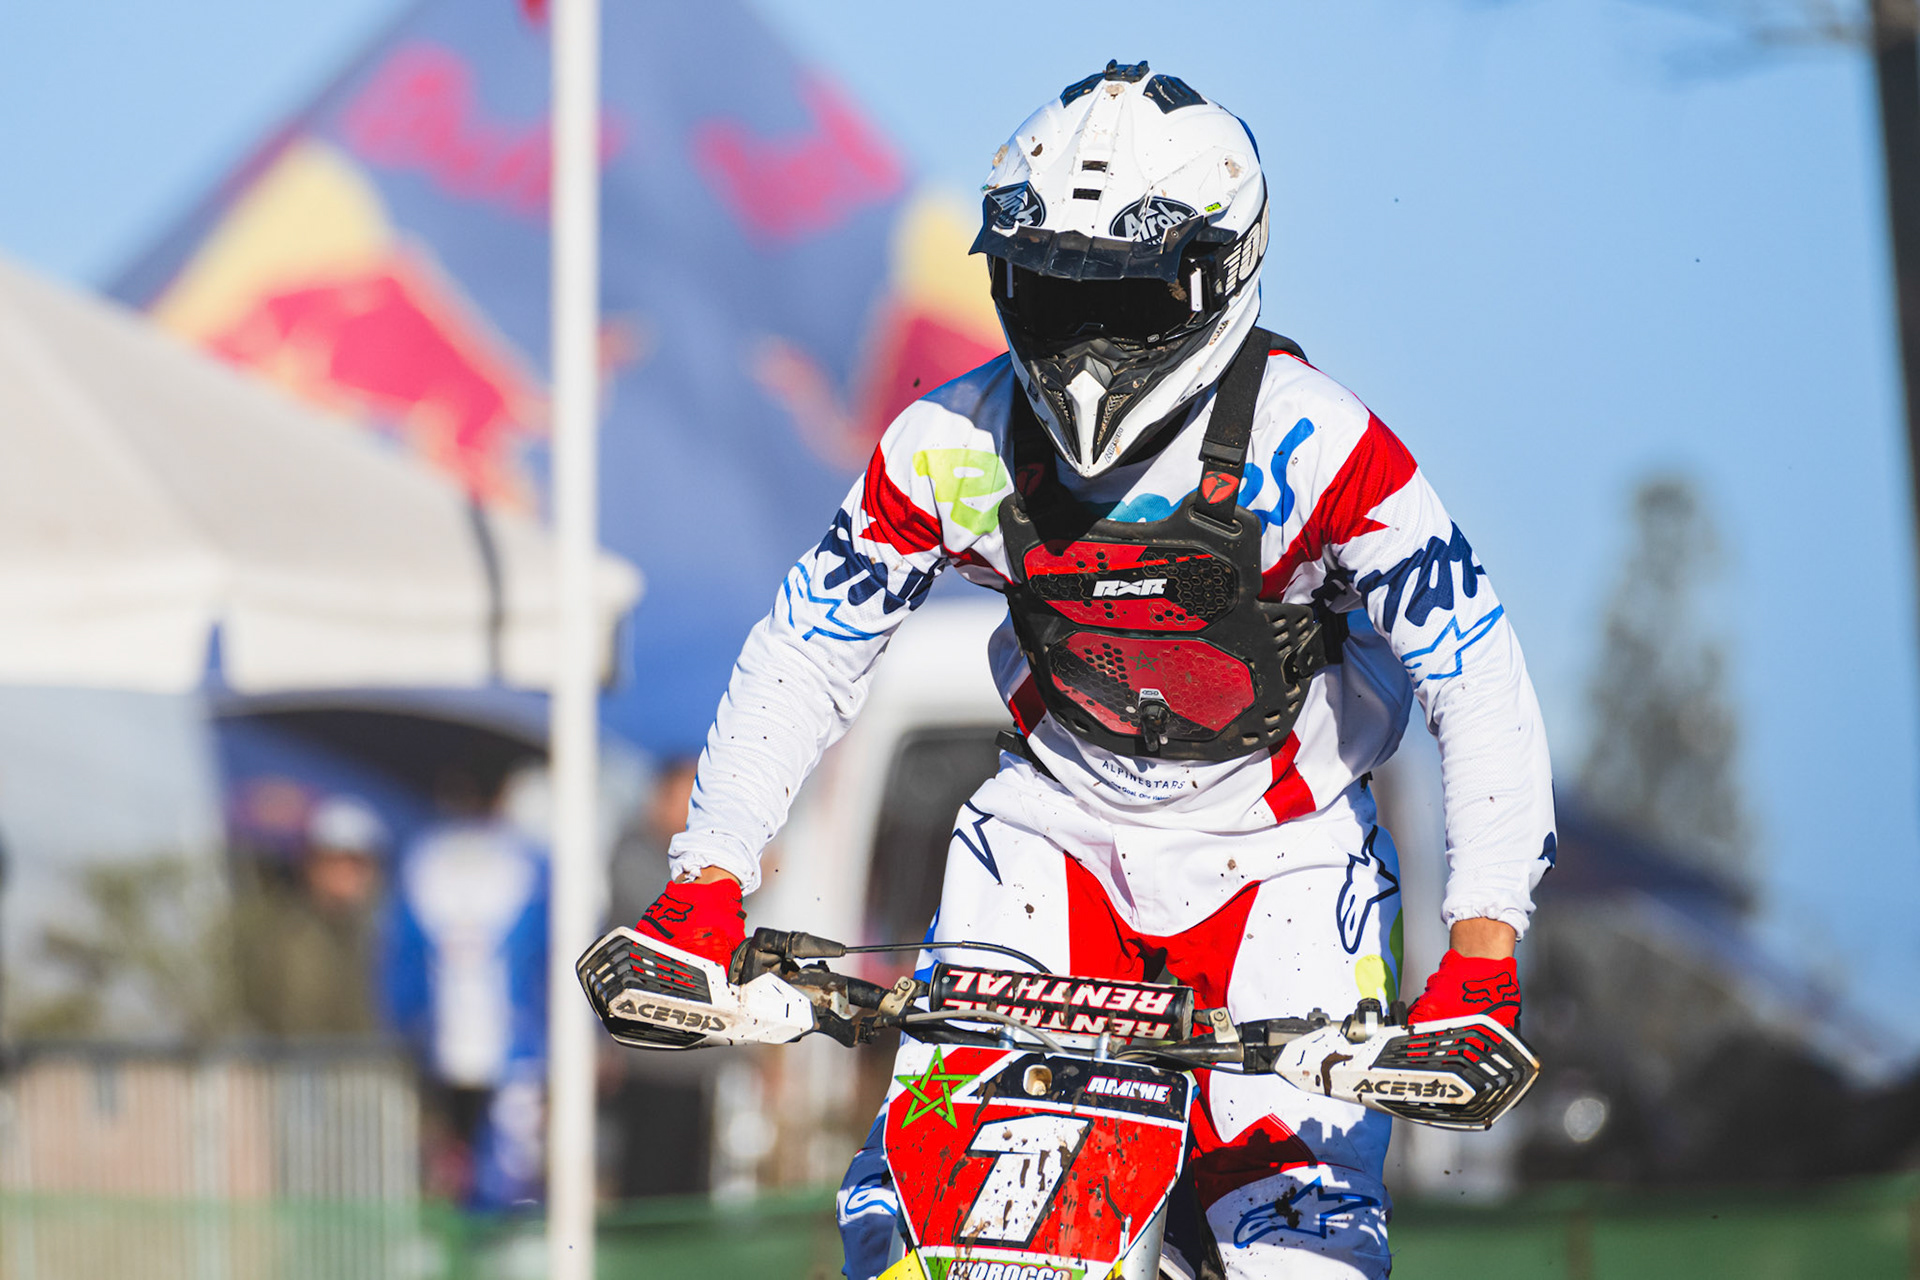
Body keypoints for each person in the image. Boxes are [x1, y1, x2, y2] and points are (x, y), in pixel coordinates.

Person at [634, 61, 1555, 1279]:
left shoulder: (1323, 447)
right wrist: (707, 879)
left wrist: (1482, 952)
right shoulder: (951, 441)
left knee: (1296, 1249)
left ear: (1220, 272)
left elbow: (1476, 673)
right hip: (1049, 844)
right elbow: (810, 645)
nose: (1085, 343)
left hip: (1285, 870)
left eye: (1125, 295)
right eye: (1055, 292)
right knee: (933, 1230)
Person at [385, 766, 549, 1209]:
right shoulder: (526, 862)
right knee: (489, 1166)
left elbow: (401, 956)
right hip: (487, 1044)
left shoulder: (424, 858)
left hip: (477, 1043)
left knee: (488, 1167)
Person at [233, 793, 387, 1038]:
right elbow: (299, 1030)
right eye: (337, 861)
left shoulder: (369, 935)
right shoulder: (294, 939)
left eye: (359, 863)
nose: (349, 875)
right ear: (312, 866)